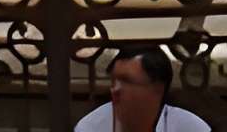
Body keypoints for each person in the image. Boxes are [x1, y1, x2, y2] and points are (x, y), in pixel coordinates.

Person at [73, 45, 210, 132]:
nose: (115, 90)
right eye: (114, 81)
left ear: (157, 89)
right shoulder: (91, 127)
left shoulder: (191, 128)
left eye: (127, 81)